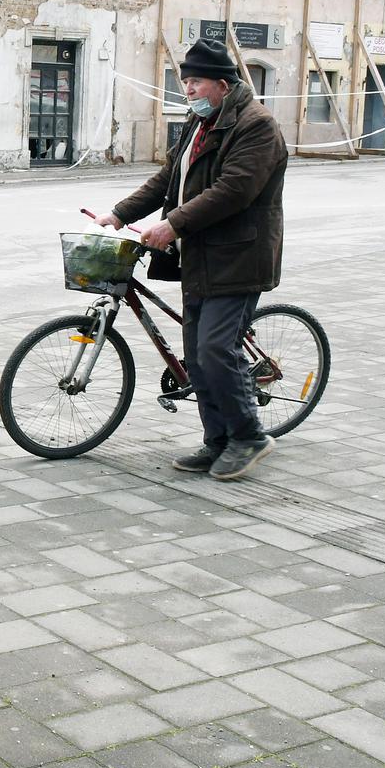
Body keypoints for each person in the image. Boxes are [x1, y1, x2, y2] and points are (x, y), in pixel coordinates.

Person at [96, 37, 287, 480]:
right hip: (199, 256)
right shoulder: (199, 124)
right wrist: (121, 213)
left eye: (196, 83)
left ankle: (249, 436)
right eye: (186, 83)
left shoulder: (256, 126)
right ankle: (217, 441)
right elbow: (168, 177)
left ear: (222, 84)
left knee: (217, 348)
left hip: (239, 257)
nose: (188, 91)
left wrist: (171, 225)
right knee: (196, 356)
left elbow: (234, 190)